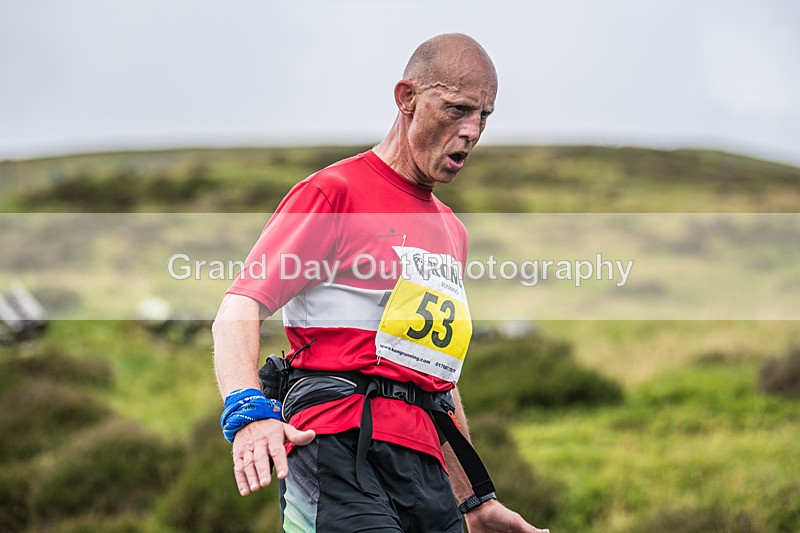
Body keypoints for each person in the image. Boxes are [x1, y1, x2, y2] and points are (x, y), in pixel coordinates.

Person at [213, 33, 550, 533]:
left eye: (484, 116)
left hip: (425, 469)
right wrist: (247, 411)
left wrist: (473, 500)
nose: (472, 130)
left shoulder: (452, 231)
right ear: (407, 99)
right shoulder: (333, 193)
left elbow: (438, 378)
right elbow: (239, 308)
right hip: (334, 442)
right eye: (457, 109)